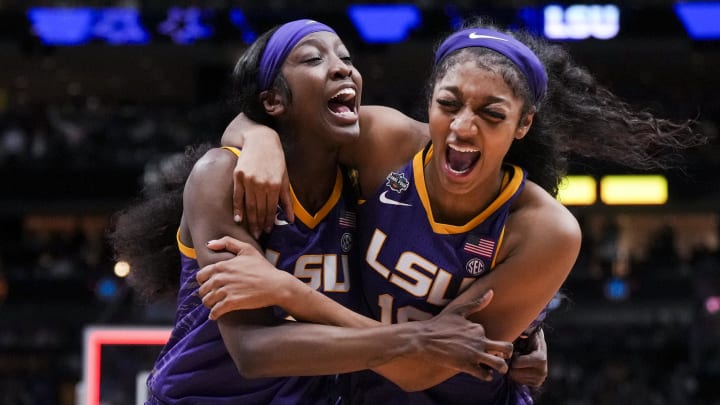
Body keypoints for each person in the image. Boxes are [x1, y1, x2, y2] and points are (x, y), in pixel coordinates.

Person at [199, 17, 704, 404]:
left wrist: (291, 293)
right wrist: (256, 137)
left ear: (523, 125)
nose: (464, 127)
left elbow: (419, 368)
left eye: (492, 114)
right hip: (356, 389)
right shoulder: (384, 142)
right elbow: (291, 123)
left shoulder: (547, 229)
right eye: (450, 104)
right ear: (429, 104)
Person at [110, 19, 528, 405]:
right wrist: (417, 339)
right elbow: (252, 351)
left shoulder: (360, 185)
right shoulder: (223, 175)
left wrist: (527, 332)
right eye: (314, 58)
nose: (342, 68)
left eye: (346, 58)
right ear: (273, 101)